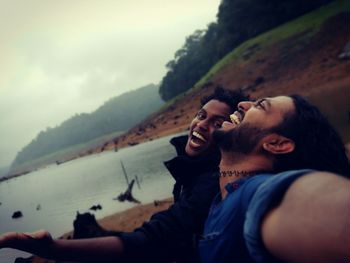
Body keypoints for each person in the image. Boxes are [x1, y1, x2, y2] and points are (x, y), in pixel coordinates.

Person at [0, 87, 247, 262]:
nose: (202, 124)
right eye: (201, 115)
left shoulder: (215, 182)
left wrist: (55, 249)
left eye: (217, 122)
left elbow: (158, 237)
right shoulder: (193, 173)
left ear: (234, 134)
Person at [198, 95, 350, 262]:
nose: (242, 105)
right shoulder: (224, 197)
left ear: (277, 144)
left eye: (261, 105)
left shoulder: (257, 193)